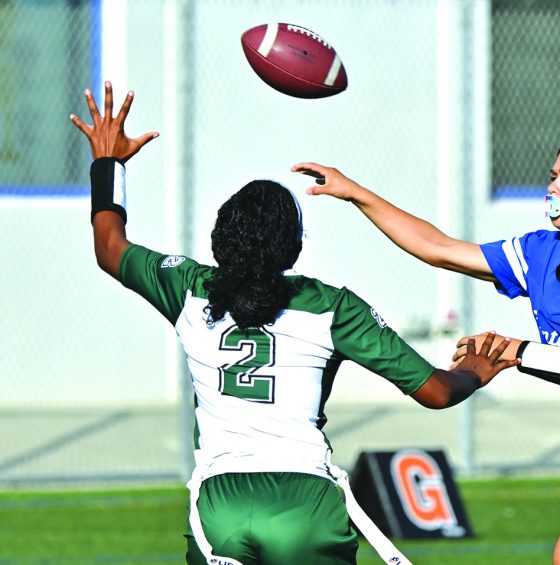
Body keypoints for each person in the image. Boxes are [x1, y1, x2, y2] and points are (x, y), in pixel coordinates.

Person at [69, 82, 517, 565]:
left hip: (221, 506)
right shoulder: (331, 306)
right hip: (306, 504)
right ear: (295, 245)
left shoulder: (188, 288)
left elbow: (109, 247)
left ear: (222, 235)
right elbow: (436, 392)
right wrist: (473, 371)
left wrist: (108, 163)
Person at [293, 134, 560, 565]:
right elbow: (439, 249)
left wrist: (516, 351)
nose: (553, 186)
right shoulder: (542, 252)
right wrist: (355, 193)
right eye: (553, 176)